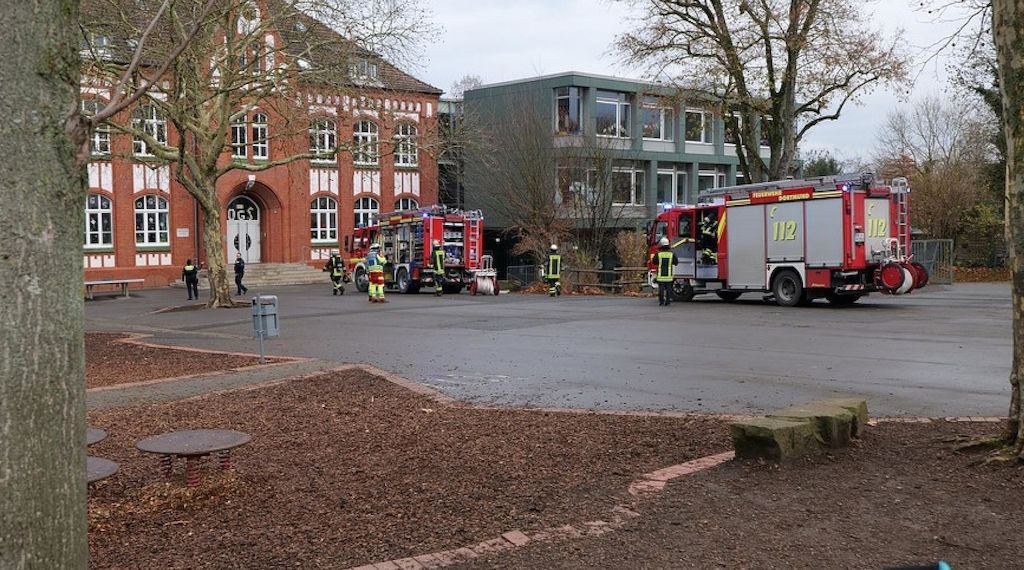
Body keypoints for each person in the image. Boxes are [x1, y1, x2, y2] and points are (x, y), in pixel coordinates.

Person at [653, 237, 678, 306]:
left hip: (660, 276)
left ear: (661, 244)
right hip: (669, 276)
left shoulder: (658, 254)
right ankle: (668, 302)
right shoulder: (672, 254)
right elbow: (676, 262)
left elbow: (654, 262)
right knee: (668, 289)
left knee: (661, 289)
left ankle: (661, 302)